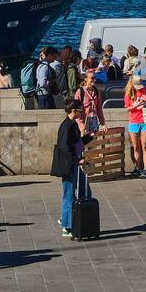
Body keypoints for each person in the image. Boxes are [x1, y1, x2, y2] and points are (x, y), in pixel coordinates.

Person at [51, 98, 90, 239]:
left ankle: (75, 219)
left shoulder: (72, 125)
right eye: (80, 111)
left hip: (74, 164)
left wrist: (89, 137)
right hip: (69, 166)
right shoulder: (66, 127)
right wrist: (78, 160)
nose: (82, 113)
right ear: (74, 111)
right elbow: (65, 149)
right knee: (68, 196)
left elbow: (76, 144)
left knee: (85, 192)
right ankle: (66, 225)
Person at [123, 73, 146, 179]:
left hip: (145, 120)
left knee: (145, 146)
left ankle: (145, 169)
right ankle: (137, 167)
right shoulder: (129, 93)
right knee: (136, 147)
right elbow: (127, 108)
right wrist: (136, 105)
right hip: (133, 121)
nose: (139, 85)